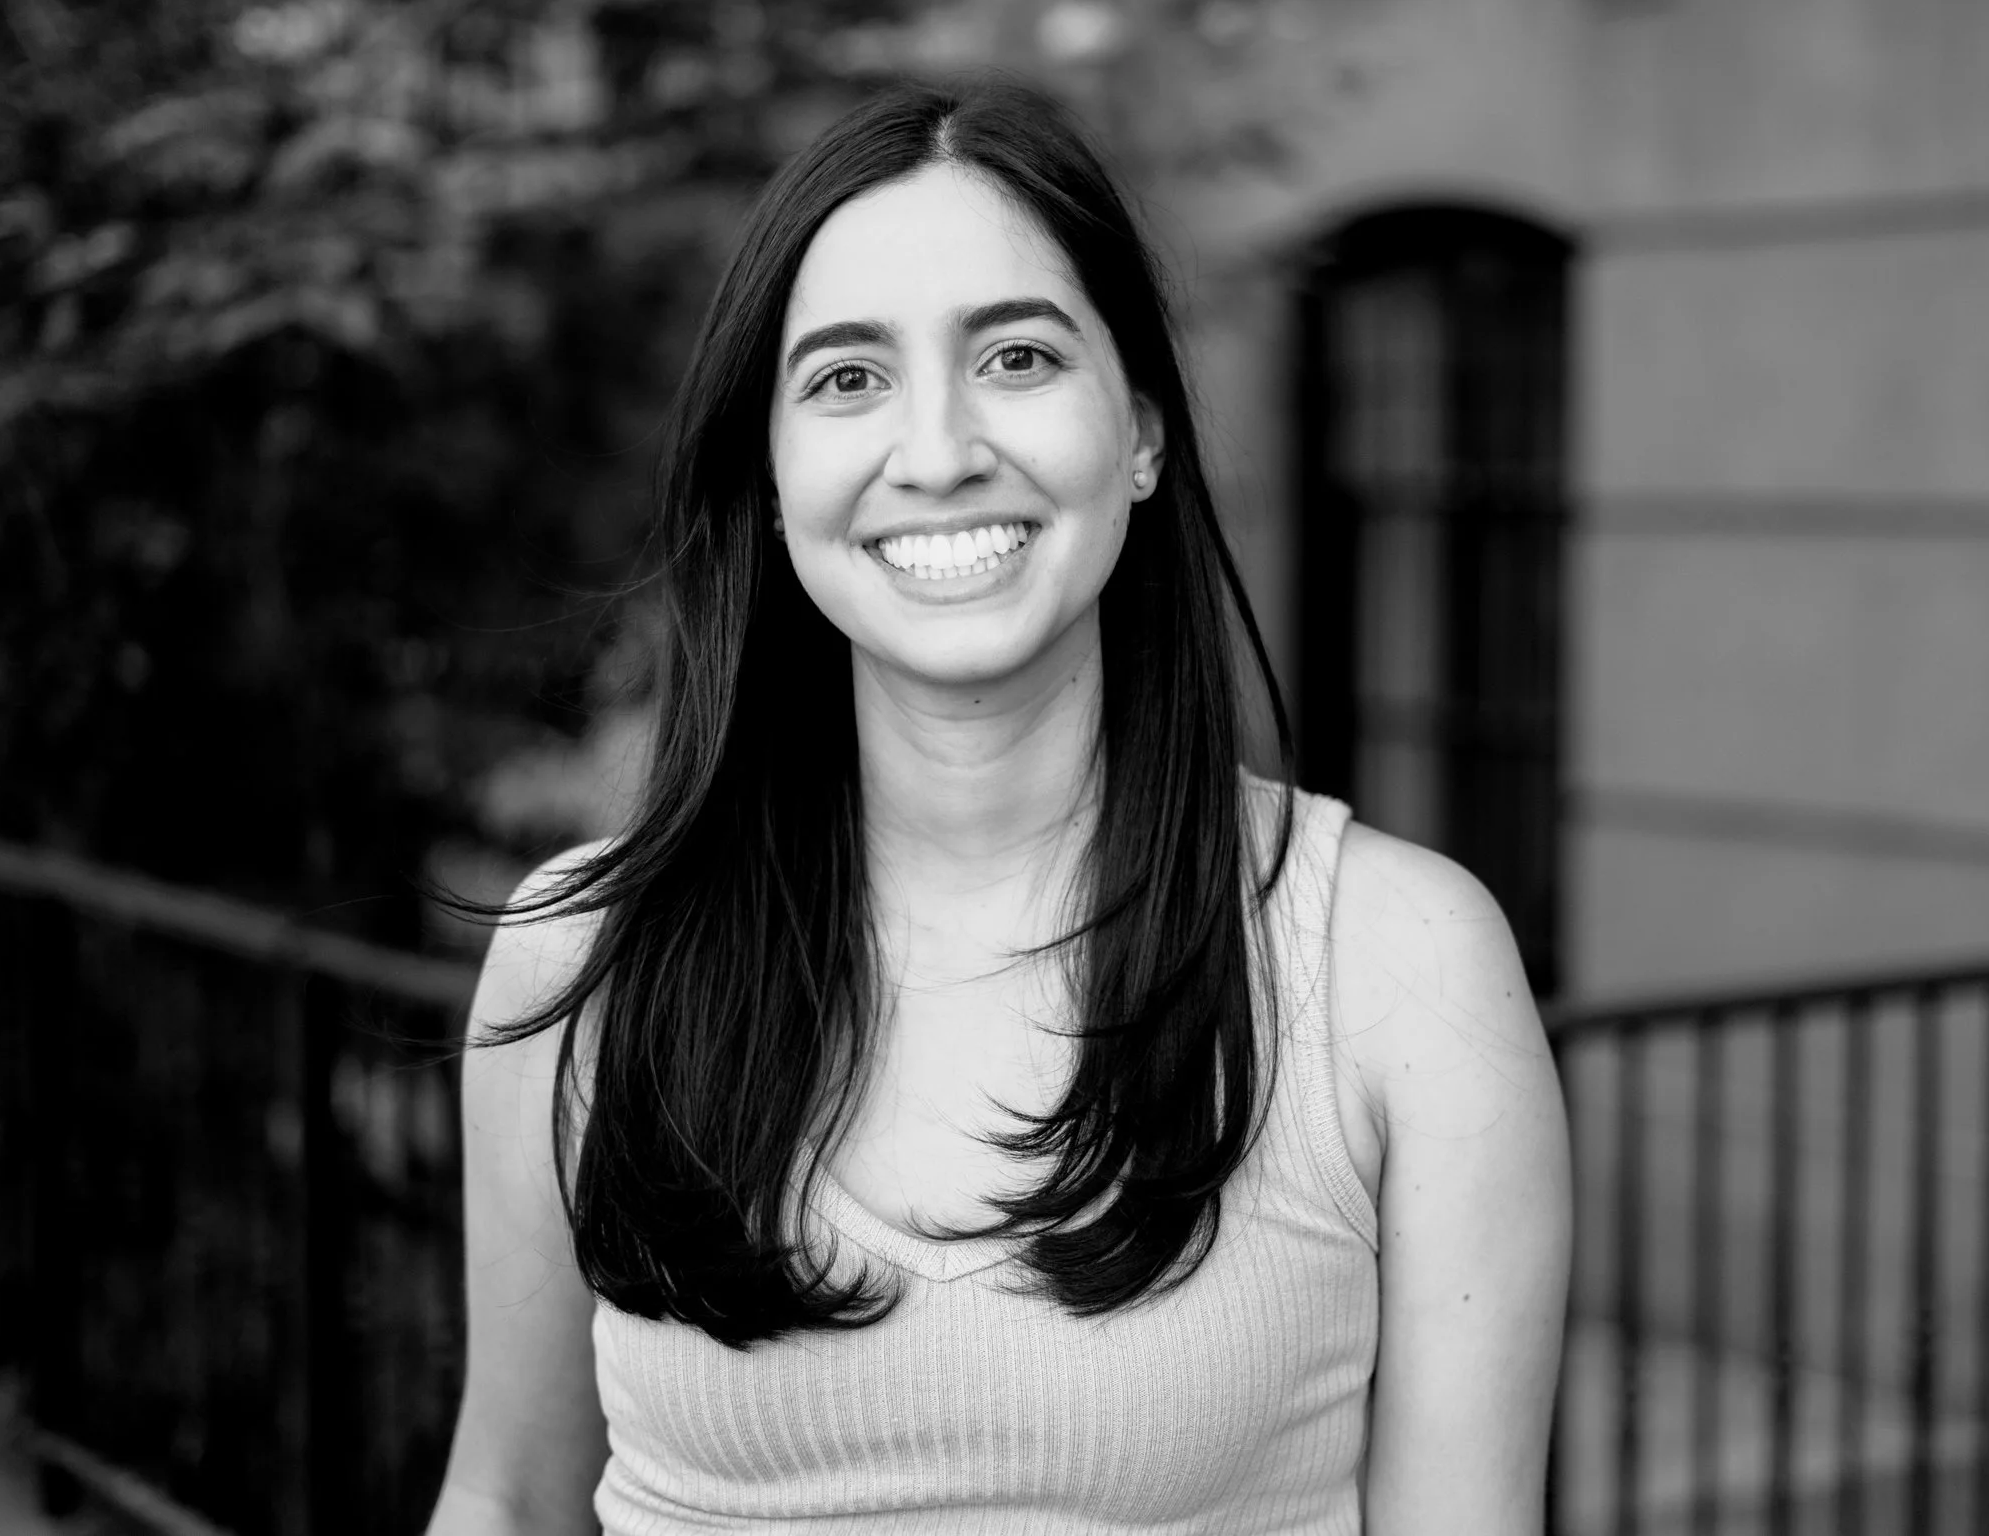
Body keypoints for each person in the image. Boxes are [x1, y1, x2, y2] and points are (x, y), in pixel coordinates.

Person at [424, 76, 1570, 1536]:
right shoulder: (581, 961)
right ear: (774, 482)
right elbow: (508, 1499)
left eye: (1018, 356)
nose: (941, 447)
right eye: (848, 378)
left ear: (1141, 432)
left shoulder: (1401, 968)